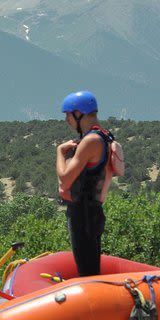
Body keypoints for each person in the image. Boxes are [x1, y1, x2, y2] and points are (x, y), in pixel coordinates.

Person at [56, 90, 111, 276]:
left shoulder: (90, 141)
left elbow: (65, 178)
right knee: (90, 265)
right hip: (92, 211)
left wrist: (60, 153)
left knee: (87, 270)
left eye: (68, 114)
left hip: (83, 214)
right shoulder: (104, 135)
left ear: (79, 113)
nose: (66, 120)